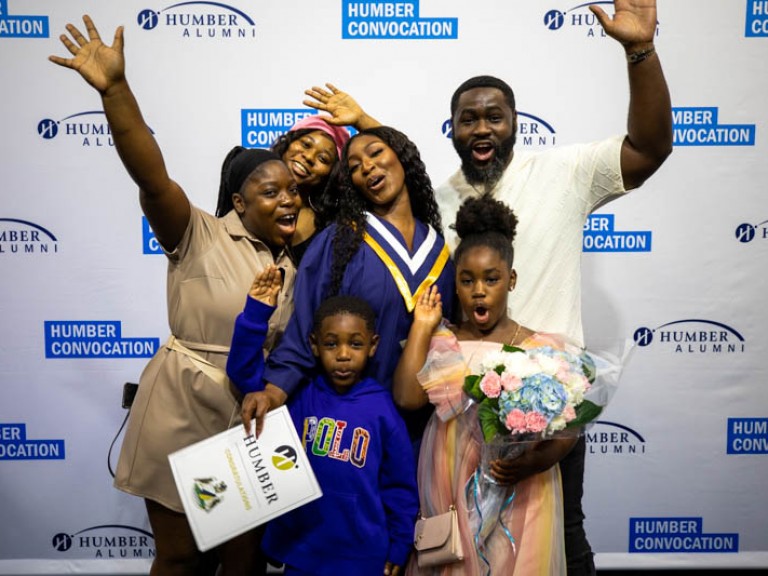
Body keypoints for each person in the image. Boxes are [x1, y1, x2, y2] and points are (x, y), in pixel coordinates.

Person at [49, 16, 298, 575]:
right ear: (239, 202)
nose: (288, 199)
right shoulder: (197, 232)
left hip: (246, 416)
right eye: (271, 191)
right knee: (182, 556)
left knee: (240, 557)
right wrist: (115, 90)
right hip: (183, 407)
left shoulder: (294, 263)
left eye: (294, 191)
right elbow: (152, 176)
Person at [435, 2, 673, 572]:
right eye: (468, 118)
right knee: (463, 546)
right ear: (453, 130)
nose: (482, 128)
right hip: (461, 414)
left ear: (516, 122)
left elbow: (650, 148)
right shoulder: (435, 197)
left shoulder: (564, 171)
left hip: (551, 409)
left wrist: (639, 52)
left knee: (564, 540)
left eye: (494, 115)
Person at [231, 126, 456, 441]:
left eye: (376, 153)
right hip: (346, 422)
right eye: (353, 168)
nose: (367, 167)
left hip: (422, 430)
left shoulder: (440, 251)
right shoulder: (340, 241)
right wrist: (273, 391)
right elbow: (304, 326)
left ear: (402, 158)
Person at [394, 195, 579, 575]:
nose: (479, 290)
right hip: (449, 481)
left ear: (511, 281)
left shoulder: (539, 350)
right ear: (456, 285)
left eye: (491, 279)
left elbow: (568, 429)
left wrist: (532, 462)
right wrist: (422, 326)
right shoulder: (445, 341)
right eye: (467, 280)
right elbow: (407, 397)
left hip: (521, 487)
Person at [227, 272, 418, 576]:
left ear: (373, 345)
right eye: (332, 344)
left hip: (363, 558)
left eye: (355, 344)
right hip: (304, 552)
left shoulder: (383, 409)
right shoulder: (300, 397)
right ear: (315, 345)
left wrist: (400, 544)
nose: (343, 355)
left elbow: (400, 487)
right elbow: (245, 377)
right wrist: (255, 315)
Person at [271, 85, 381, 261]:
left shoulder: (332, 224)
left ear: (331, 173)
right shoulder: (251, 193)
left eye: (323, 159)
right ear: (288, 143)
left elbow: (397, 162)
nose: (308, 157)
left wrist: (361, 119)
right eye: (305, 144)